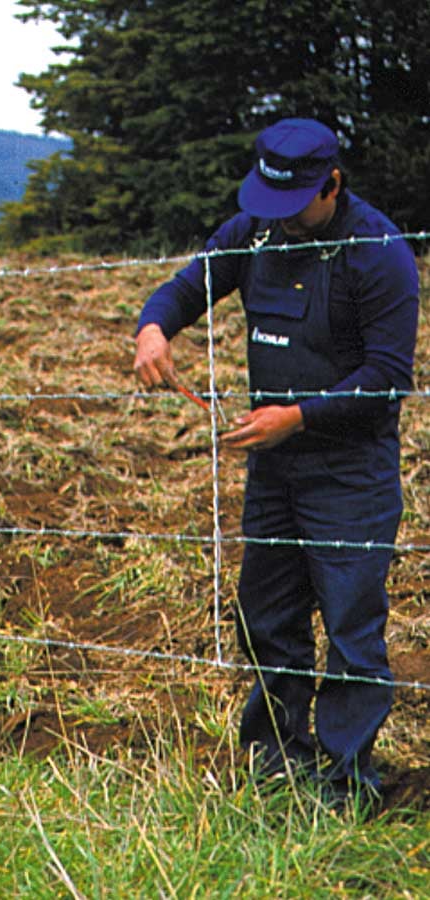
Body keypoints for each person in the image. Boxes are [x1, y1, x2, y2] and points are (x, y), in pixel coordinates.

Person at [133, 118, 420, 808]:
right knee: (266, 612)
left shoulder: (379, 254)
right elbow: (189, 284)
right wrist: (153, 326)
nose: (281, 220)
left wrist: (297, 417)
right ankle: (275, 759)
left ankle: (348, 781)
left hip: (350, 471)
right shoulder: (253, 233)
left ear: (333, 184)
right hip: (274, 471)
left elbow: (387, 374)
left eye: (296, 206)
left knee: (351, 624)